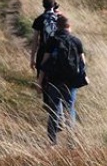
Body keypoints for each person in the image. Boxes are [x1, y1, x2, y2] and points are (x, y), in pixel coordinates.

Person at [37, 15, 87, 146]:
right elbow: (83, 61)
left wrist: (40, 81)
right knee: (69, 108)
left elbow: (45, 62)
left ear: (57, 26)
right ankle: (72, 142)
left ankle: (52, 142)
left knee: (54, 109)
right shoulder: (76, 41)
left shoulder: (52, 40)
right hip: (71, 82)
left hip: (54, 80)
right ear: (69, 26)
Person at [30, 0, 59, 76]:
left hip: (43, 51)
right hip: (58, 51)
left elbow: (35, 41)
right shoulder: (59, 18)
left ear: (43, 5)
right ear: (54, 5)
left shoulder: (39, 19)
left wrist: (32, 58)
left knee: (41, 77)